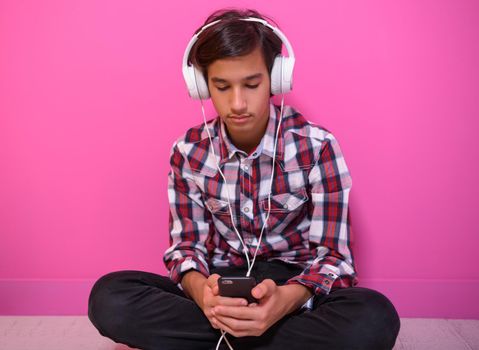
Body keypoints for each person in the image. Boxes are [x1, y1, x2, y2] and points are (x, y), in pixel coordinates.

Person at [88, 8, 401, 350]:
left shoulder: (318, 147)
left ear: (276, 79)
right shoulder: (188, 152)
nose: (238, 103)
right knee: (109, 297)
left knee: (375, 317)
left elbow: (334, 258)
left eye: (252, 85)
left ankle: (227, 341)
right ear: (201, 86)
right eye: (222, 87)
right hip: (220, 287)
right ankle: (254, 338)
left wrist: (283, 301)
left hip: (292, 291)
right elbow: (187, 249)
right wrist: (203, 294)